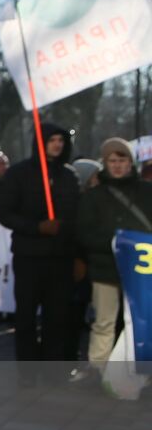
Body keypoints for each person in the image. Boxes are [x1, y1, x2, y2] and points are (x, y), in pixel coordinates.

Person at [0, 124, 81, 369]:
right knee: (26, 317)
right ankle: (28, 371)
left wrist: (78, 256)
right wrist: (37, 228)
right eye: (52, 139)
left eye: (61, 140)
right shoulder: (18, 174)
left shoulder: (69, 176)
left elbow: (77, 219)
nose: (57, 144)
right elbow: (5, 214)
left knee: (57, 318)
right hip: (29, 257)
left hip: (61, 258)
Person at [76, 137, 152, 367]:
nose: (117, 165)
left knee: (141, 322)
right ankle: (99, 368)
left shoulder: (147, 192)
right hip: (105, 269)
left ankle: (139, 369)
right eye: (112, 160)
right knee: (104, 322)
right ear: (106, 163)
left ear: (130, 162)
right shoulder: (93, 196)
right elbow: (84, 233)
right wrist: (115, 243)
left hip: (141, 270)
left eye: (122, 159)